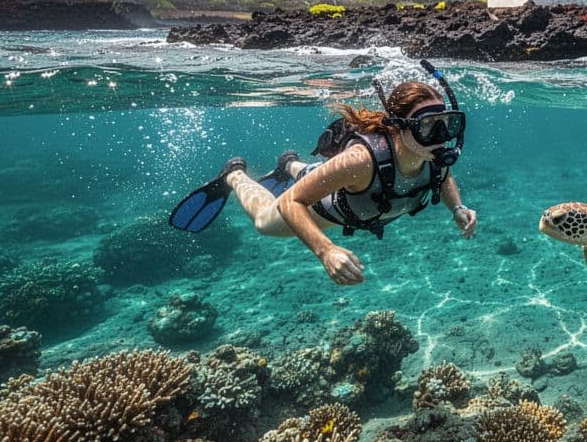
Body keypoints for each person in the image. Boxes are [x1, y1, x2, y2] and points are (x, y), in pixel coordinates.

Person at [170, 63, 476, 284]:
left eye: (447, 124)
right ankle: (235, 175)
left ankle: (289, 163)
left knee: (314, 172)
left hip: (340, 182)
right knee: (264, 221)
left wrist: (457, 208)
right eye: (426, 126)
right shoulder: (360, 161)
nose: (440, 136)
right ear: (398, 127)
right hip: (326, 208)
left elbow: (443, 177)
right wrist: (325, 251)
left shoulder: (434, 154)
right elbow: (292, 202)